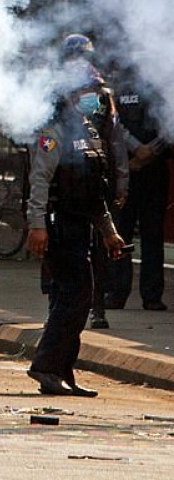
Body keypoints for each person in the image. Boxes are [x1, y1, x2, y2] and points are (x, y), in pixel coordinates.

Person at [25, 72, 127, 397]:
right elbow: (39, 182)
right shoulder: (52, 134)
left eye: (96, 92)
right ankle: (46, 366)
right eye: (87, 91)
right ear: (71, 94)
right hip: (59, 225)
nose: (94, 97)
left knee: (78, 298)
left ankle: (62, 370)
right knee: (73, 295)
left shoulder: (90, 131)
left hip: (81, 226)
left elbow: (95, 191)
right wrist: (37, 225)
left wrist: (109, 233)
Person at [106, 72, 168, 312]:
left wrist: (149, 153)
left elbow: (169, 125)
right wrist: (135, 150)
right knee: (121, 234)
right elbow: (114, 125)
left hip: (153, 171)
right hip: (127, 170)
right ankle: (116, 292)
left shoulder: (161, 85)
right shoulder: (119, 86)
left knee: (153, 236)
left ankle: (152, 295)